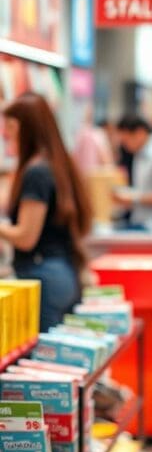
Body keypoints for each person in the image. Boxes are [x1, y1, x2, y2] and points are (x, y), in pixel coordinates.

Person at [0, 93, 93, 332]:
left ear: (25, 127)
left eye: (10, 126)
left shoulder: (36, 172)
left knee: (45, 350)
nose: (6, 133)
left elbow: (26, 237)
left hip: (43, 277)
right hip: (61, 272)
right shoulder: (55, 164)